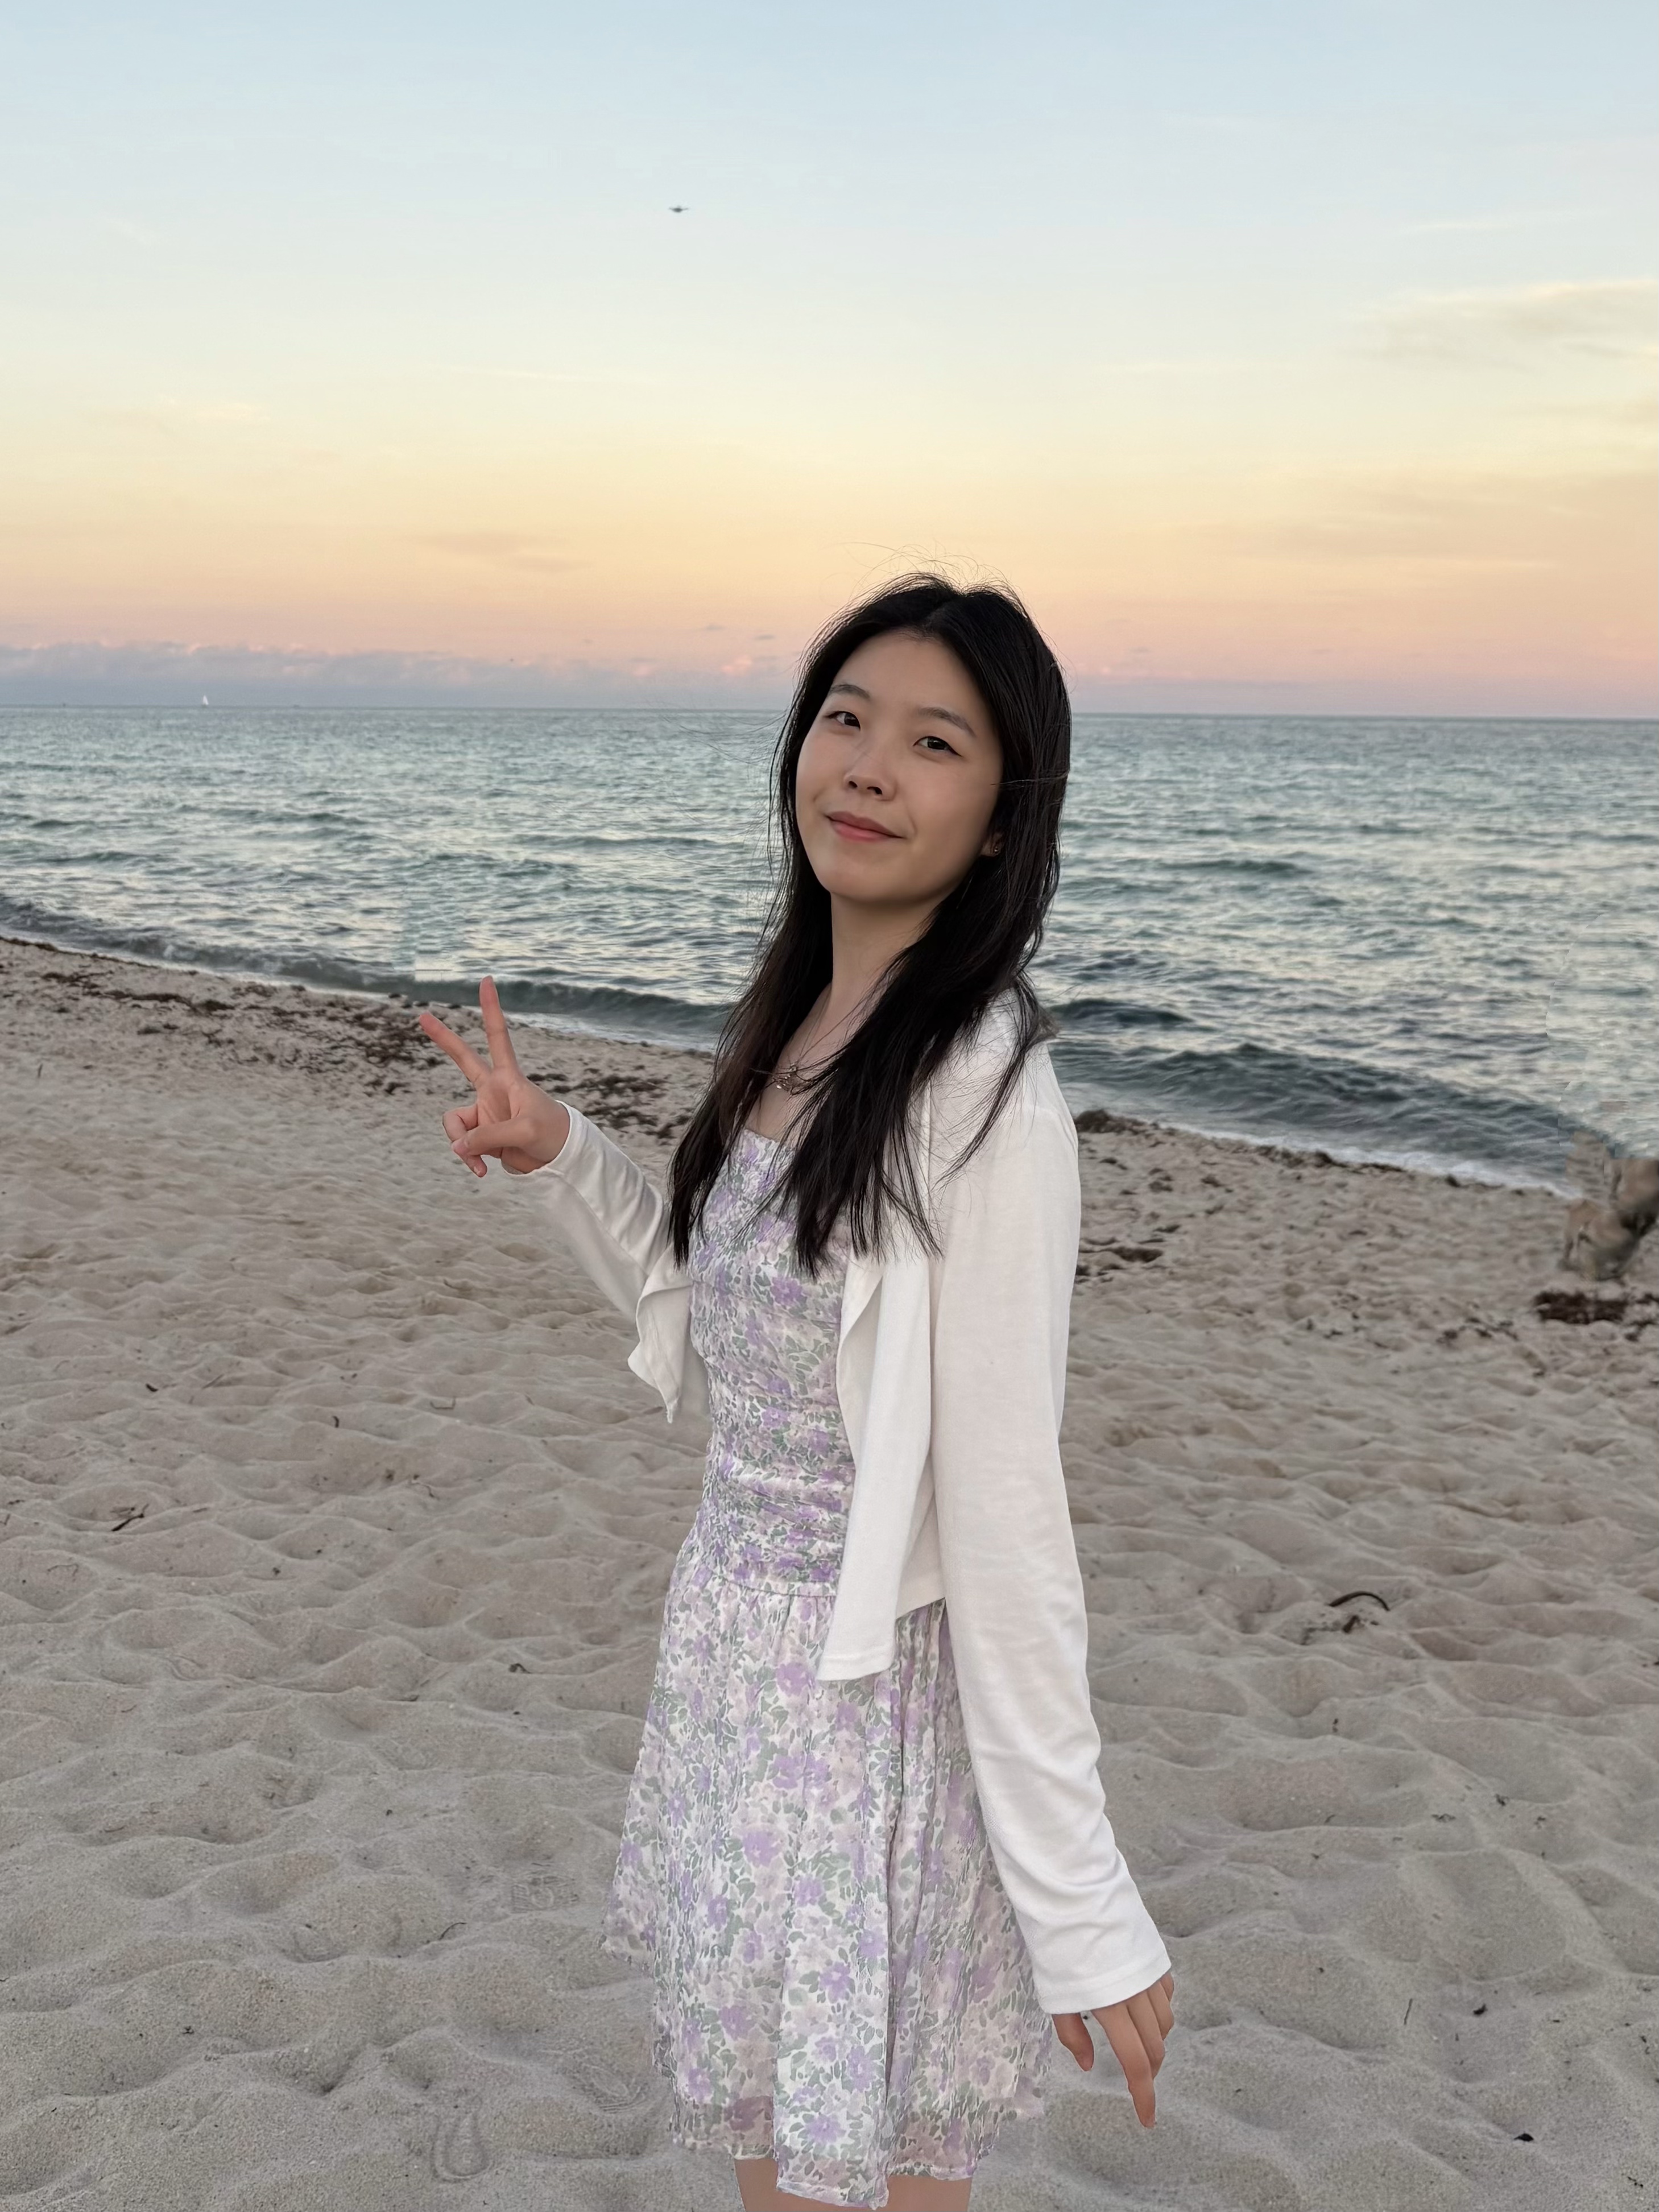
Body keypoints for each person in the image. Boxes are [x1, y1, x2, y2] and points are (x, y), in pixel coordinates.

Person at [420, 574, 1175, 2211]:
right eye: (845, 716)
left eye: (932, 740)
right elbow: (720, 1316)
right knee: (778, 2165)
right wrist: (559, 1155)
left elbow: (1004, 1510)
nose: (870, 764)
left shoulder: (987, 1093)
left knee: (866, 2179)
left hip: (875, 1708)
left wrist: (1082, 1898)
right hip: (737, 1666)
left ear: (998, 820)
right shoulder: (802, 1021)